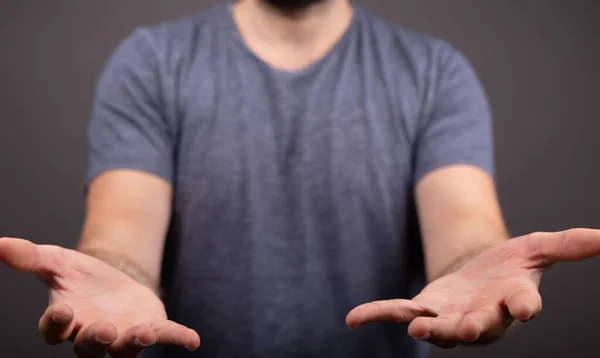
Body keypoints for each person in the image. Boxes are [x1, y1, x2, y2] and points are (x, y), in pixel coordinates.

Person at [1, 0, 599, 357]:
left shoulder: (434, 73)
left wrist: (480, 277)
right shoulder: (153, 63)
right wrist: (113, 280)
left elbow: (464, 236)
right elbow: (122, 241)